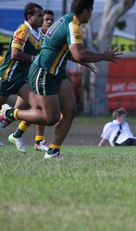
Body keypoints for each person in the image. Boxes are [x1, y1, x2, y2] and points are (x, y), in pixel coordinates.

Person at [0, 0, 122, 159]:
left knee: (70, 111)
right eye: (91, 10)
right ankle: (10, 114)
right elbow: (79, 53)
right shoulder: (72, 25)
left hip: (56, 72)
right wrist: (103, 56)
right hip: (44, 72)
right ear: (85, 11)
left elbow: (67, 51)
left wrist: (84, 62)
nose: (91, 14)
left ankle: (53, 151)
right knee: (51, 118)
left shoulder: (66, 19)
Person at [6, 9, 55, 153]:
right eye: (46, 19)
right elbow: (17, 54)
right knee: (14, 115)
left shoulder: (48, 37)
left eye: (52, 20)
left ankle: (37, 140)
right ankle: (15, 131)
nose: (49, 22)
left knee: (39, 109)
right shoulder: (31, 34)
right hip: (17, 78)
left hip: (32, 80)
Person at [0, 2, 44, 151]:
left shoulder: (38, 33)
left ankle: (16, 133)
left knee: (38, 107)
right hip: (8, 77)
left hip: (21, 79)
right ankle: (7, 114)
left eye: (43, 16)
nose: (42, 18)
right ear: (29, 16)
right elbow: (15, 54)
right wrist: (35, 59)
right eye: (39, 16)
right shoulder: (23, 30)